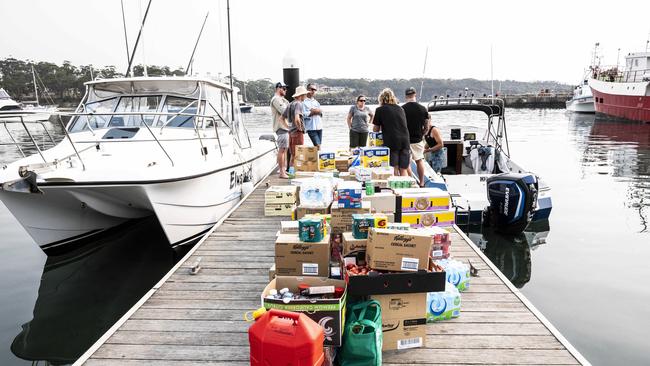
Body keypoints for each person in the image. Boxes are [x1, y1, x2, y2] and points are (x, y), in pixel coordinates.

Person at [372, 88, 410, 176]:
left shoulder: (380, 110)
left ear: (381, 98)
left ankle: (396, 188)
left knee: (394, 167)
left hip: (392, 142)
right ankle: (405, 188)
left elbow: (375, 129)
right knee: (403, 168)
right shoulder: (400, 109)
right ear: (393, 98)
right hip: (405, 141)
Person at [402, 87, 430, 187]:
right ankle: (422, 182)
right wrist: (422, 134)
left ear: (406, 96)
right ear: (415, 95)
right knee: (419, 160)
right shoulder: (423, 109)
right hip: (418, 139)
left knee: (406, 162)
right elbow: (426, 127)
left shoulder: (402, 109)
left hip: (405, 139)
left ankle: (412, 181)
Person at [283, 85, 308, 169]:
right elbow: (297, 118)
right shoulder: (299, 104)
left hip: (290, 133)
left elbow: (282, 118)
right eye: (305, 94)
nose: (305, 96)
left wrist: (288, 127)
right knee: (298, 154)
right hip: (297, 132)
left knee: (293, 154)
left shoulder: (290, 104)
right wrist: (300, 128)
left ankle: (291, 172)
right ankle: (296, 172)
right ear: (301, 95)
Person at [270, 82, 290, 178]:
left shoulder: (281, 99)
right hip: (281, 127)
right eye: (284, 89)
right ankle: (282, 172)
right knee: (282, 150)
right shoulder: (276, 99)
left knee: (284, 149)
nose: (286, 90)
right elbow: (285, 111)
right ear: (279, 88)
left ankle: (283, 170)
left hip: (284, 127)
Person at [303, 83, 323, 148]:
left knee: (318, 146)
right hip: (310, 127)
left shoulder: (316, 102)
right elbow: (303, 115)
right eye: (312, 89)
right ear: (307, 90)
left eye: (315, 90)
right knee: (317, 145)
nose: (313, 91)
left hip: (319, 126)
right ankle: (316, 157)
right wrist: (312, 112)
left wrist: (316, 111)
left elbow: (321, 113)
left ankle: (316, 157)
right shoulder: (303, 102)